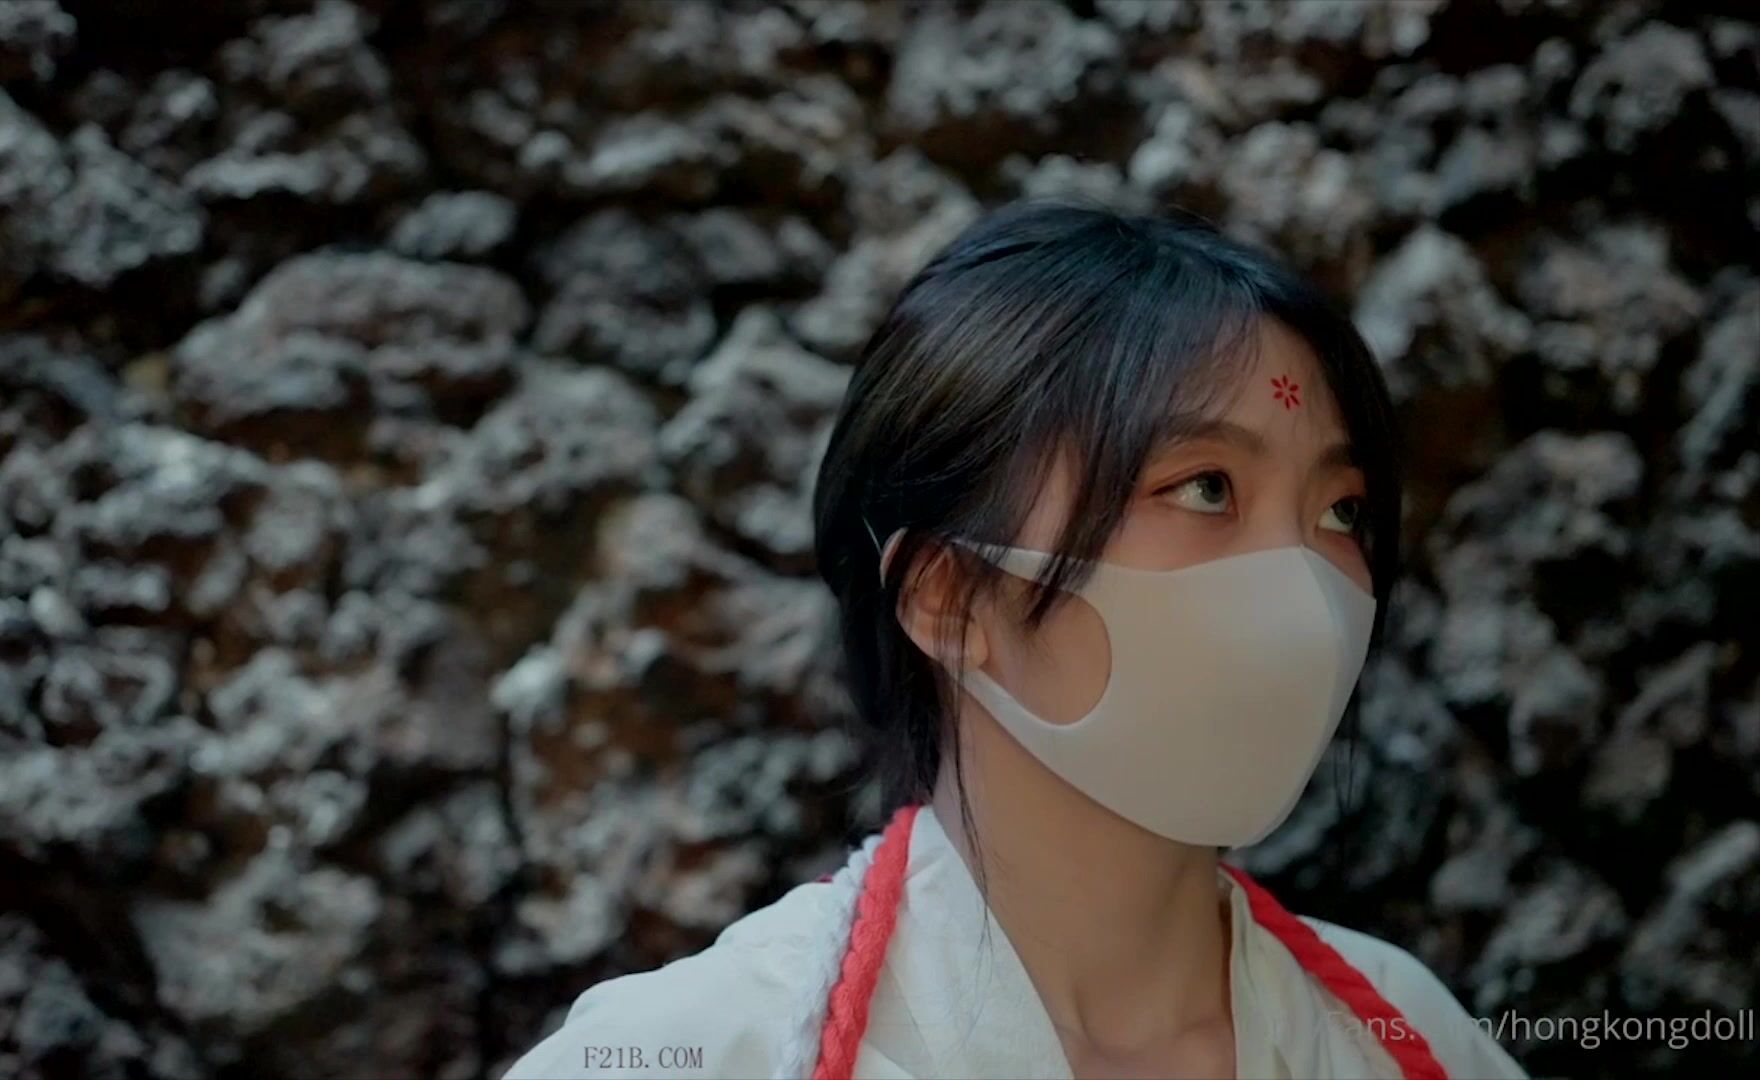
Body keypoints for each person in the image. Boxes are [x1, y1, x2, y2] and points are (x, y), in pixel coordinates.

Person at [503, 199, 1527, 1079]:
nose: (1305, 594)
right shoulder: (701, 1050)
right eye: (1206, 488)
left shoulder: (1406, 1038)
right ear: (949, 598)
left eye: (1342, 512)